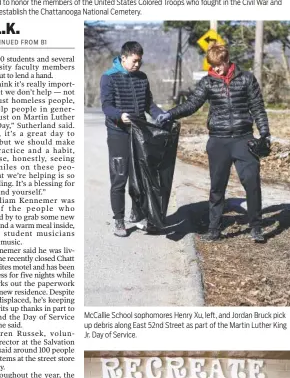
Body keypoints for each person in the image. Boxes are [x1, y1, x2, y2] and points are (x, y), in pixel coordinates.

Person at [156, 42, 270, 242]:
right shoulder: (208, 82)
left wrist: (264, 133)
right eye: (212, 65)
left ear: (227, 61)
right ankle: (214, 229)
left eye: (218, 65)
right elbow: (192, 104)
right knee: (217, 187)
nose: (215, 69)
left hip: (244, 139)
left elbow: (257, 107)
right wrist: (169, 114)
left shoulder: (246, 79)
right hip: (218, 141)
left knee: (252, 183)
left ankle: (256, 227)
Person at [100, 41, 163, 237]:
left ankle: (140, 216)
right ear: (124, 57)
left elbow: (149, 105)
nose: (137, 65)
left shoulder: (142, 78)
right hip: (118, 133)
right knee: (120, 178)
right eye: (135, 61)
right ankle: (119, 220)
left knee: (141, 178)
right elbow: (106, 106)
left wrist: (160, 115)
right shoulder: (109, 77)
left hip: (139, 134)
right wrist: (120, 115)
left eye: (140, 62)